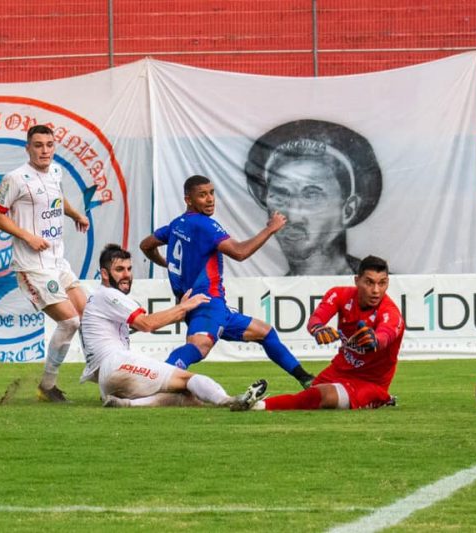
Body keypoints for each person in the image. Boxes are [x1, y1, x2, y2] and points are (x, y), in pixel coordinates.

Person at [139, 174, 315, 389]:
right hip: (208, 302)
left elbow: (146, 245)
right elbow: (240, 253)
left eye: (211, 193)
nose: (210, 199)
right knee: (199, 346)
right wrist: (271, 229)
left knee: (265, 332)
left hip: (201, 304)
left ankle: (305, 378)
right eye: (202, 195)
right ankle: (156, 380)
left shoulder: (177, 224)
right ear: (189, 200)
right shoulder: (206, 225)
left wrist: (166, 263)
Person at [80, 244, 268, 410]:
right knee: (187, 380)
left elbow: (144, 324)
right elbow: (147, 324)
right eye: (119, 269)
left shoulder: (99, 299)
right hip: (117, 364)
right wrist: (183, 307)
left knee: (184, 397)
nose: (127, 275)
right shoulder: (108, 295)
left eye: (129, 269)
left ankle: (127, 403)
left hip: (107, 380)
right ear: (104, 274)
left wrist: (180, 311)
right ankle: (229, 400)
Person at [0, 124, 90, 403]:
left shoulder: (56, 171)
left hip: (58, 260)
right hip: (31, 265)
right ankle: (47, 386)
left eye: (49, 145)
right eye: (38, 145)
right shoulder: (16, 178)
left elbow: (57, 198)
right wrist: (27, 236)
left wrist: (75, 214)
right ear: (28, 148)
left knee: (89, 316)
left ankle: (104, 371)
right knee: (70, 321)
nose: (44, 150)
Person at [248, 255, 403, 411]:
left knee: (322, 396)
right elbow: (316, 319)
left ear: (387, 283)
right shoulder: (340, 295)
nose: (376, 290)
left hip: (369, 382)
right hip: (339, 369)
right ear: (357, 281)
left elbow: (386, 335)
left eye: (382, 283)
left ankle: (258, 406)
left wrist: (375, 340)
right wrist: (318, 329)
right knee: (312, 395)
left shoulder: (391, 313)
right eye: (369, 282)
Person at [245, 119, 382, 276]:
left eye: (311, 196)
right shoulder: (264, 292)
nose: (293, 216)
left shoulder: (383, 292)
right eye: (280, 195)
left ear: (348, 210)